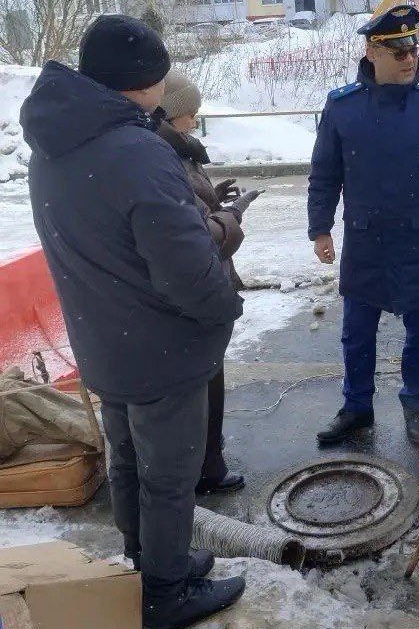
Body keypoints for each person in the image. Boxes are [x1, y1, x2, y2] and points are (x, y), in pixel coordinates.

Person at [20, 15, 246, 628]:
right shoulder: (136, 152)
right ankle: (164, 593)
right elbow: (187, 272)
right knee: (169, 476)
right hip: (160, 348)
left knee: (127, 460)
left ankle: (146, 559)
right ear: (142, 82)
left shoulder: (55, 144)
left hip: (106, 340)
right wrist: (227, 305)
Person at [307, 5, 419, 445]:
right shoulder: (343, 107)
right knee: (357, 334)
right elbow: (325, 173)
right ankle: (357, 407)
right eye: (398, 49)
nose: (409, 57)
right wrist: (321, 228)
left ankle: (415, 401)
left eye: (414, 47)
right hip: (365, 242)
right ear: (372, 51)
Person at [158, 70, 261, 495]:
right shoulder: (165, 156)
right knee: (204, 378)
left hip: (201, 289)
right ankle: (206, 469)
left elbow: (189, 211)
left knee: (207, 376)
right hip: (197, 293)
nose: (195, 121)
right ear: (172, 113)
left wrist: (212, 197)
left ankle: (206, 458)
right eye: (190, 113)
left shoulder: (179, 152)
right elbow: (196, 237)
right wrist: (230, 217)